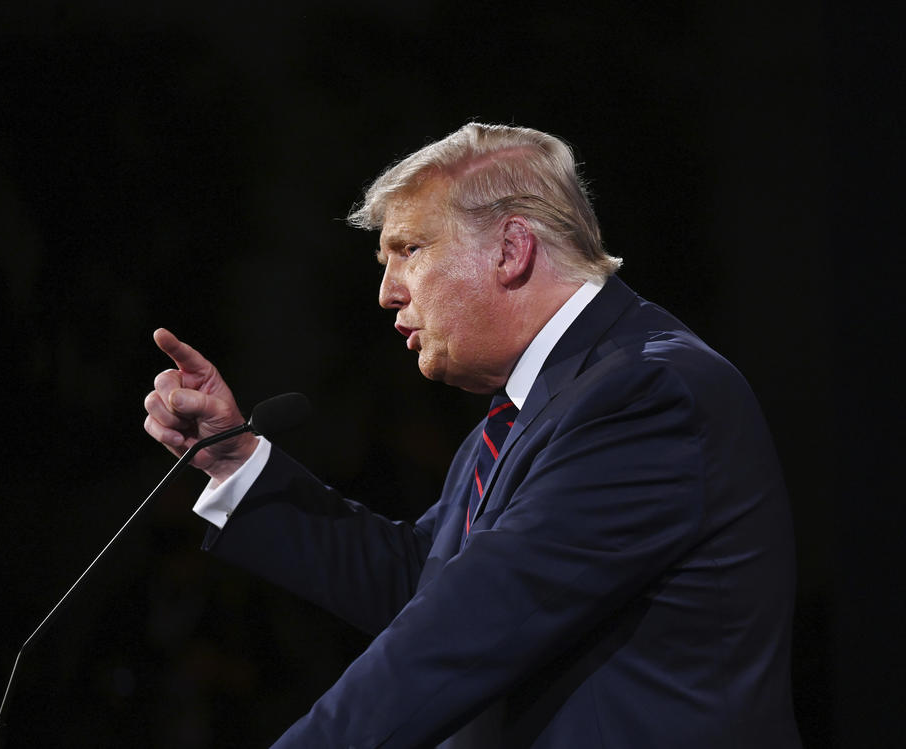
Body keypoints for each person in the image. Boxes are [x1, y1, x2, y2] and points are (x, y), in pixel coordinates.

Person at [143, 123, 801, 748]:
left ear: (511, 250)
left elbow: (464, 629)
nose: (386, 291)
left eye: (409, 249)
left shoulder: (645, 396)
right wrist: (235, 460)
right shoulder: (538, 405)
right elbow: (423, 582)